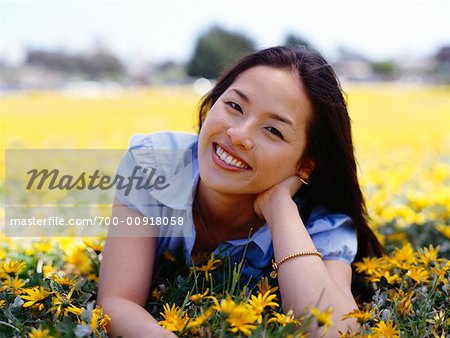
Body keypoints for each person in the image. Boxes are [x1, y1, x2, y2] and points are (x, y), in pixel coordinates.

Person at [97, 46, 383, 337]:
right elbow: (117, 301)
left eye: (273, 130)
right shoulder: (153, 166)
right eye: (234, 106)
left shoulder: (319, 223)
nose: (239, 135)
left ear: (305, 166)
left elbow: (332, 331)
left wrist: (279, 207)